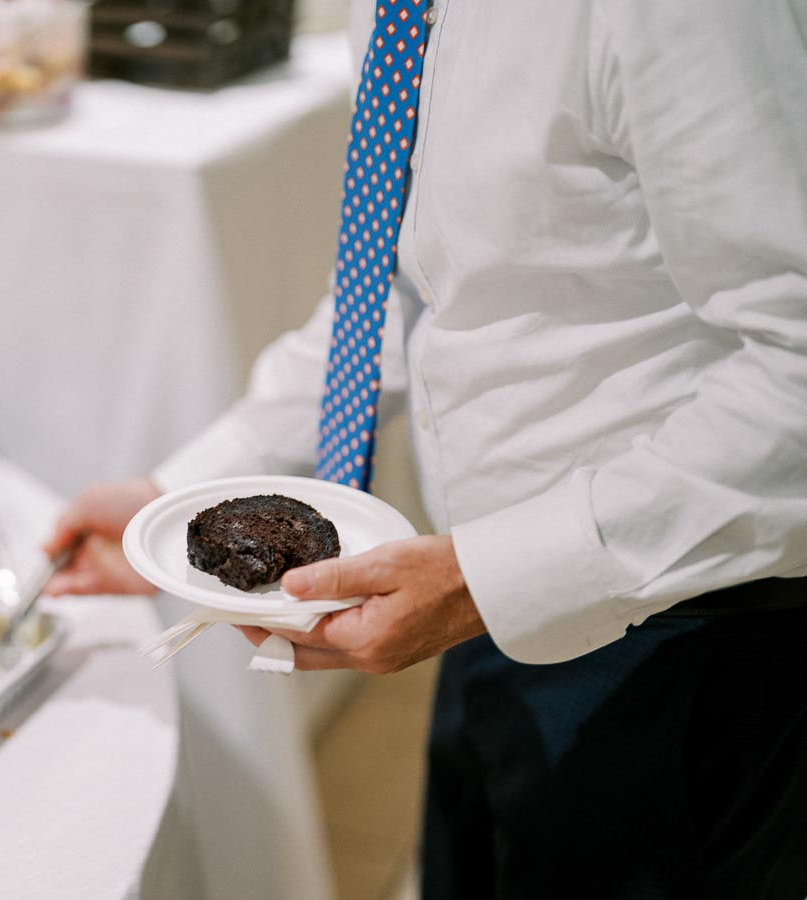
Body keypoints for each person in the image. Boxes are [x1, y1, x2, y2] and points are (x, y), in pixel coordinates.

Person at [43, 0, 807, 896]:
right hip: (478, 601)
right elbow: (400, 286)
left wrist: (492, 577)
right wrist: (176, 492)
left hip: (675, 629)